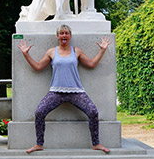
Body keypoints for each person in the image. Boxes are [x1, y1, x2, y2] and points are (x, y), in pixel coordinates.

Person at [17, 24, 111, 154]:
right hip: (56, 92)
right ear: (57, 36)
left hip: (76, 92)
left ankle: (96, 144)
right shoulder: (51, 52)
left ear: (70, 36)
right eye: (61, 33)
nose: (64, 35)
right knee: (39, 112)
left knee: (93, 112)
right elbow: (38, 67)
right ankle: (39, 144)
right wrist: (25, 54)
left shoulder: (76, 51)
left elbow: (91, 64)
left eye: (66, 33)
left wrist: (102, 50)